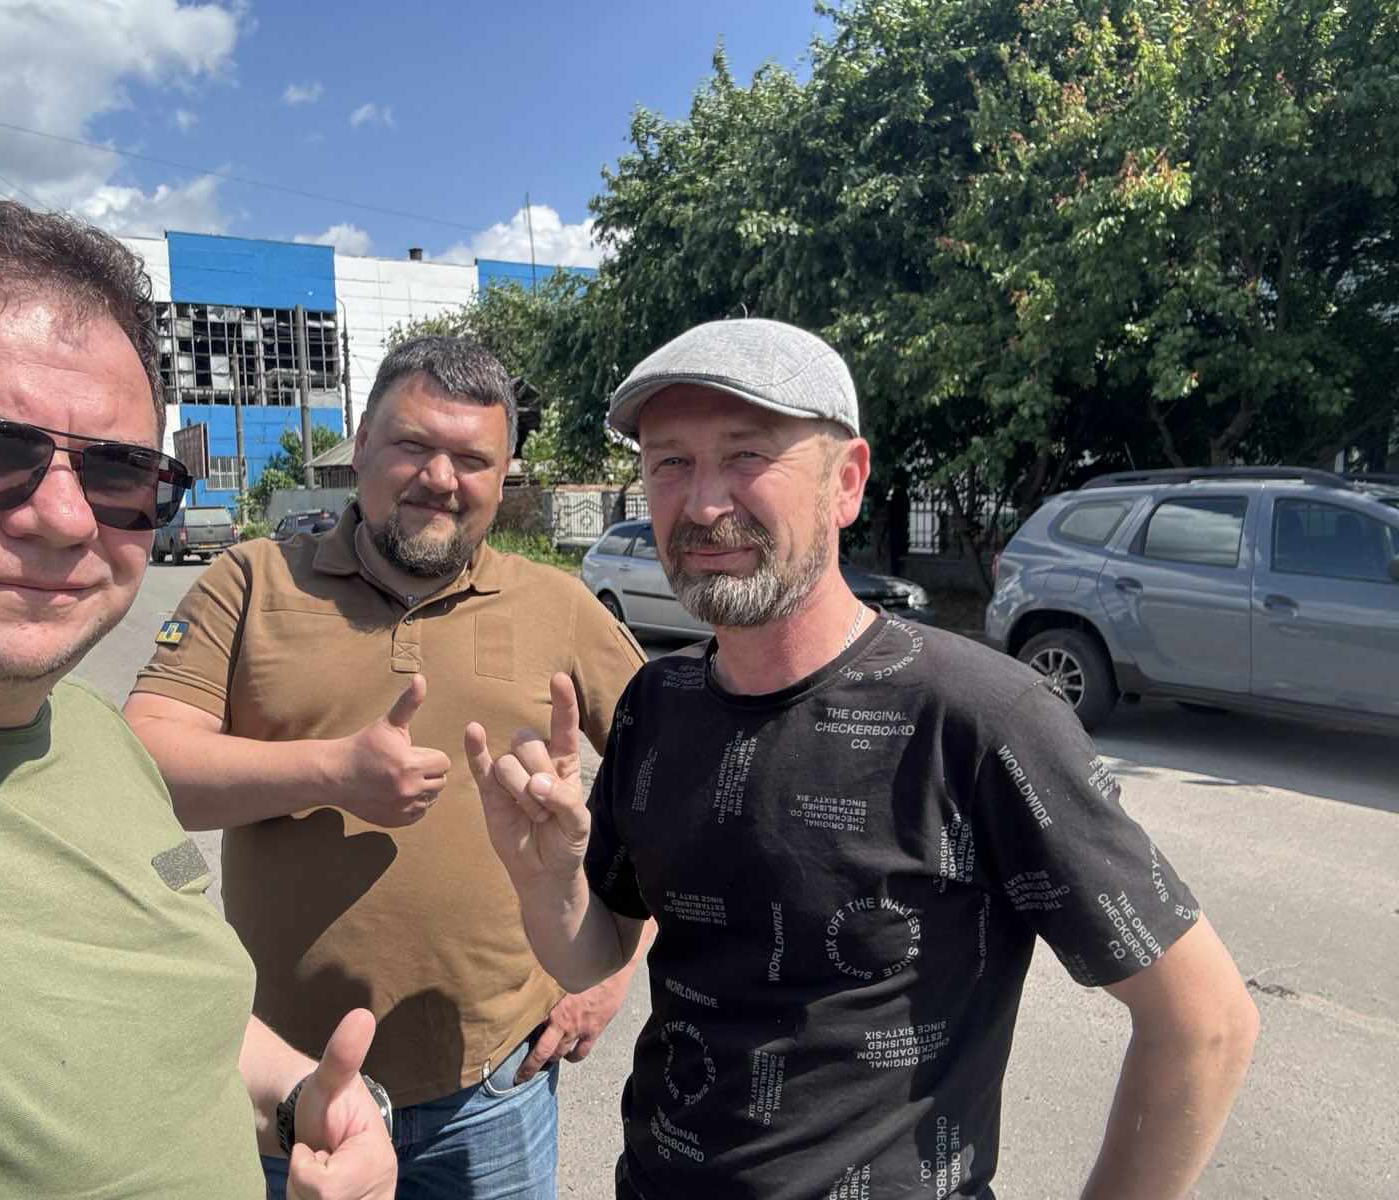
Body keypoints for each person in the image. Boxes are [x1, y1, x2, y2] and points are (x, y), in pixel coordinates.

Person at [467, 318, 1259, 1200]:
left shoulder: (981, 718)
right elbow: (595, 956)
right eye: (670, 463)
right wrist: (546, 883)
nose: (702, 503)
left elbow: (1205, 1023)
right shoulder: (658, 703)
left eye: (745, 455)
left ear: (845, 483)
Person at [0, 201, 395, 1200]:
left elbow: (160, 1002)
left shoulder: (88, 730)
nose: (67, 519)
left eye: (120, 473)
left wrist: (300, 1098)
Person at [124, 335, 649, 1200]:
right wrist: (330, 772)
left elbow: (672, 786)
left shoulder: (555, 605)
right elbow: (143, 762)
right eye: (413, 445)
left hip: (492, 1089)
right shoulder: (251, 581)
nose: (441, 478)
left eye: (472, 459)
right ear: (361, 445)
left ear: (504, 475)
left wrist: (616, 968)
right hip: (291, 1092)